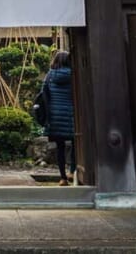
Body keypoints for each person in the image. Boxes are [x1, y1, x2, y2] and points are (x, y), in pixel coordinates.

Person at [42, 50, 76, 186]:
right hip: (72, 114)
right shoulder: (74, 75)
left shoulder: (50, 76)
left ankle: (63, 178)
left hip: (55, 115)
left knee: (60, 147)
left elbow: (43, 94)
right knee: (76, 144)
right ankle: (72, 171)